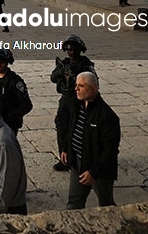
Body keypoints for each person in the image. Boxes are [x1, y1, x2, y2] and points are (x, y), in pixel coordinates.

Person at [60, 72, 120, 209]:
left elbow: (110, 150)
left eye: (81, 86)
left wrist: (94, 172)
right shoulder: (77, 105)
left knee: (106, 202)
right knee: (74, 202)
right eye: (76, 85)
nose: (76, 89)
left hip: (98, 167)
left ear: (94, 88)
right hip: (78, 163)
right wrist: (65, 148)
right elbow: (70, 129)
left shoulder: (107, 116)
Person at [50, 35, 96, 171]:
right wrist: (60, 71)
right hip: (66, 99)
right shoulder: (63, 64)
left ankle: (79, 157)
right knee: (61, 126)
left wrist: (77, 76)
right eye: (69, 50)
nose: (71, 52)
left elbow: (93, 81)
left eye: (74, 49)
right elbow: (53, 78)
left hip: (80, 101)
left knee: (77, 129)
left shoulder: (86, 65)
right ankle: (64, 158)